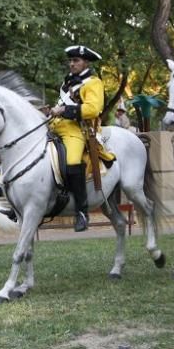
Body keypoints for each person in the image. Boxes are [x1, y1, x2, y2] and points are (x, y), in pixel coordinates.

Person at [49, 45, 107, 232]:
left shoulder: (93, 83)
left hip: (77, 130)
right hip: (56, 126)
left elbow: (93, 109)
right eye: (71, 60)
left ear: (86, 62)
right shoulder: (68, 82)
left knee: (73, 161)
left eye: (76, 61)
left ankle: (81, 212)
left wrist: (65, 110)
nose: (72, 64)